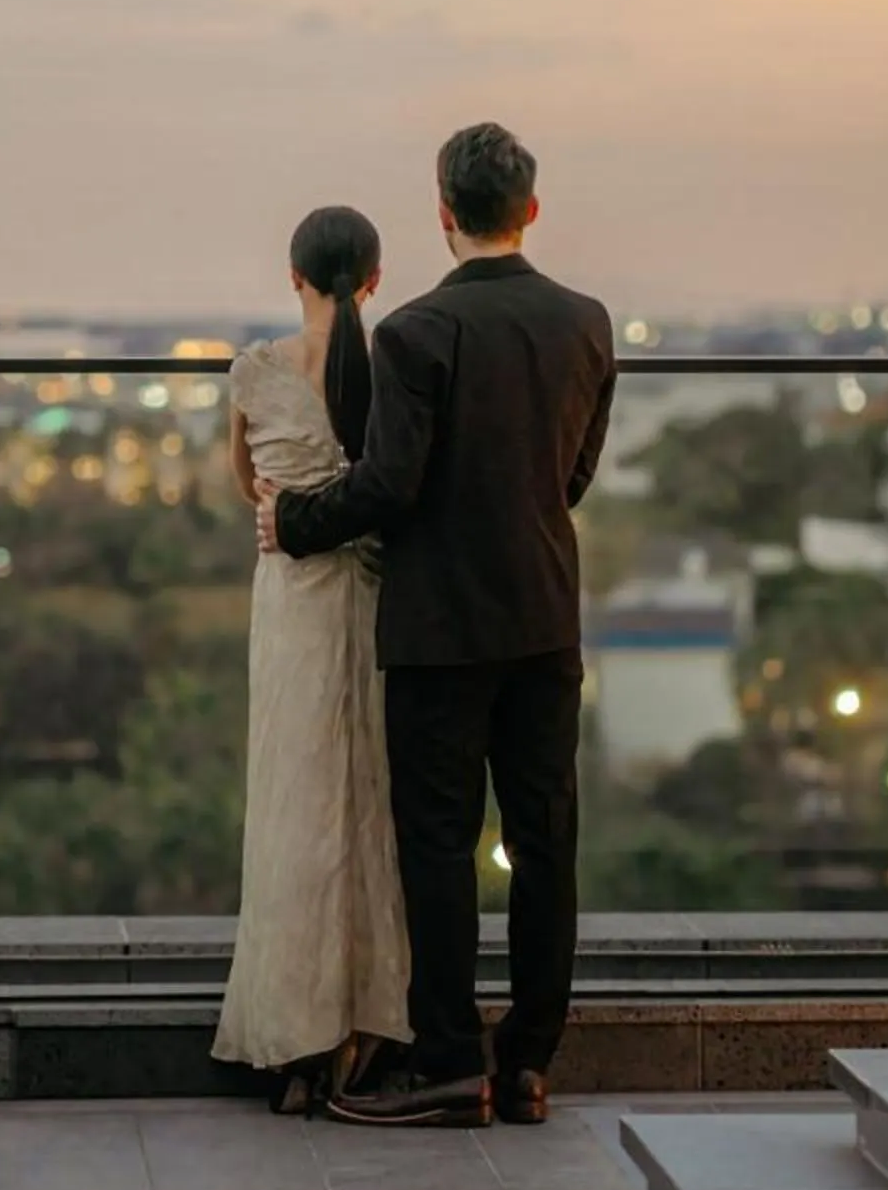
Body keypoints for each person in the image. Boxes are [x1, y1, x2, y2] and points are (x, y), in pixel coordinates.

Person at [256, 123, 617, 1130]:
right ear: (531, 210)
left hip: (436, 630)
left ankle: (454, 1061)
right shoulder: (586, 321)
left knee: (440, 846)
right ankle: (532, 1061)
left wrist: (293, 520)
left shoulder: (413, 334)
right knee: (547, 843)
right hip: (544, 618)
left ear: (443, 213)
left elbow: (386, 485)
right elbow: (572, 476)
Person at [210, 205, 413, 1114]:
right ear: (373, 282)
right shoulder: (393, 371)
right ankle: (369, 1028)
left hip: (292, 607)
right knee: (374, 809)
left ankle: (295, 1040)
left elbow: (251, 488)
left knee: (294, 812)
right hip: (377, 605)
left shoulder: (255, 373)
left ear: (294, 276)